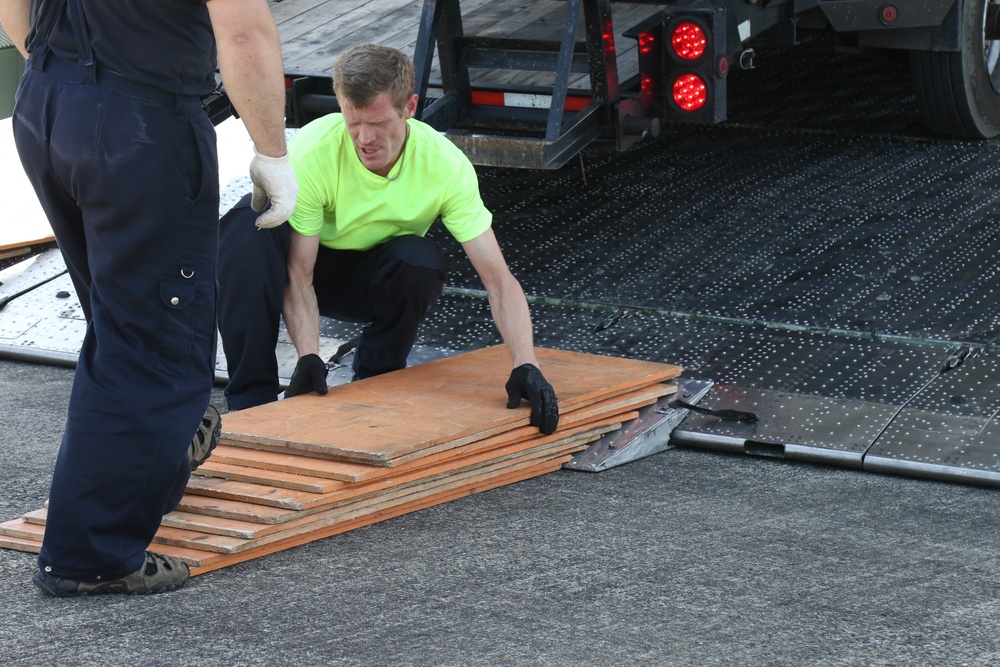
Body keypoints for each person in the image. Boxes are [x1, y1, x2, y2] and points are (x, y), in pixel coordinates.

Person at [0, 0, 297, 596]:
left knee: (121, 326)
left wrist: (74, 85)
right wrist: (272, 152)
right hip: (138, 124)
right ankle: (91, 555)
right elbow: (242, 31)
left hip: (47, 102)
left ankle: (156, 454)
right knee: (150, 342)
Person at [217, 43, 559, 435]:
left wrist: (525, 363)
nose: (365, 138)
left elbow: (499, 282)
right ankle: (251, 401)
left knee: (420, 261)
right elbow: (300, 275)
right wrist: (309, 357)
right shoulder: (314, 152)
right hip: (301, 271)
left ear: (409, 107)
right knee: (247, 226)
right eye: (353, 121)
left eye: (378, 123)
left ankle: (376, 382)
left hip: (368, 280)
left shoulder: (444, 166)